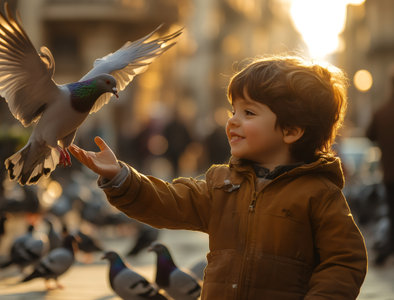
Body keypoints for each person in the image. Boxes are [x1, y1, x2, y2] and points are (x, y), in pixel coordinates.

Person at [69, 55, 367, 299]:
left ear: (291, 131)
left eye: (249, 113)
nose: (232, 121)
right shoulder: (222, 183)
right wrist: (121, 176)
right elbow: (169, 202)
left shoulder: (318, 193)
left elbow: (344, 261)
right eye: (233, 110)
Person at [366, 71, 394, 265]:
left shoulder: (382, 111)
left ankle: (387, 249)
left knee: (392, 214)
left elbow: (369, 135)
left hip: (390, 175)